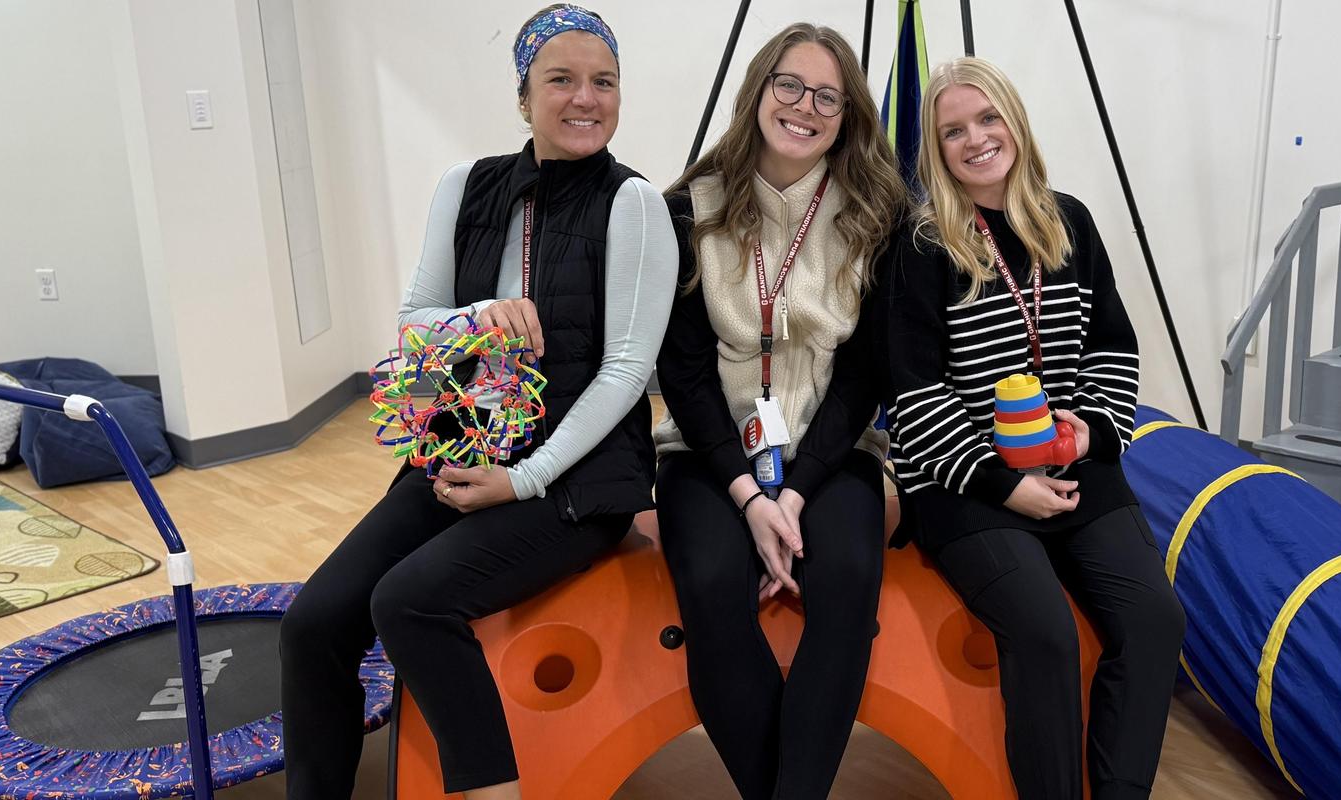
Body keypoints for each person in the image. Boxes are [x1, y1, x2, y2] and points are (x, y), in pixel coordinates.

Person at [277, 6, 674, 798]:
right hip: (459, 455)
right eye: (561, 80)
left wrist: (524, 480)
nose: (585, 98)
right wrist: (479, 316)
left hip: (575, 483)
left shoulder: (634, 203)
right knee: (311, 625)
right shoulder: (465, 186)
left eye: (603, 82)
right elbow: (414, 322)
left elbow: (628, 373)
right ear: (523, 97)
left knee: (408, 603)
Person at [879, 56, 1187, 800]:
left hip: (1073, 465)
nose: (976, 139)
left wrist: (1094, 435)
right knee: (1045, 633)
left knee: (1155, 621)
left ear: (1015, 123)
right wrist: (1003, 485)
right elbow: (913, 395)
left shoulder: (1068, 220)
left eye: (988, 118)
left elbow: (1112, 344)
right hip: (965, 482)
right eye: (953, 131)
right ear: (936, 150)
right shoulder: (922, 245)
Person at [651, 21, 907, 800]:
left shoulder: (878, 213)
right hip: (710, 454)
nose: (805, 107)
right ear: (759, 90)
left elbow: (863, 376)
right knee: (709, 581)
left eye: (828, 96)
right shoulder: (687, 208)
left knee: (850, 577)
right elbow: (684, 374)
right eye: (790, 85)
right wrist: (748, 496)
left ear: (848, 114)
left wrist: (792, 496)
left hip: (832, 452)